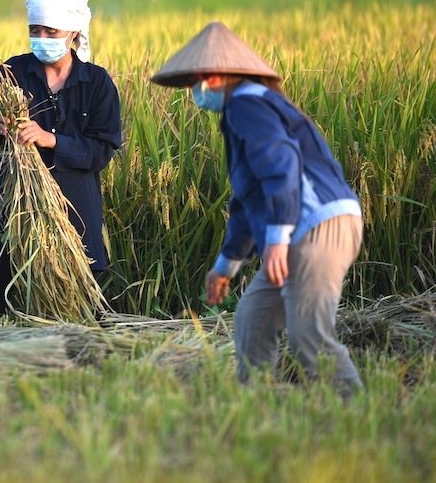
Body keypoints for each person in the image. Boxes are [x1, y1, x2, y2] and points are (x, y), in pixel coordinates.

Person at [151, 20, 365, 395]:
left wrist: (279, 237)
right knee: (254, 318)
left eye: (194, 82)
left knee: (309, 338)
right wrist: (226, 267)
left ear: (214, 77)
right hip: (296, 229)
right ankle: (256, 402)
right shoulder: (247, 109)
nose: (193, 92)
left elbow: (281, 164)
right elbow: (248, 198)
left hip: (315, 225)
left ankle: (355, 415)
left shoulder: (247, 103)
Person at [0, 0, 123, 326]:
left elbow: (102, 149)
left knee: (74, 303)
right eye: (36, 31)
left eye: (52, 32)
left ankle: (74, 350)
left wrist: (49, 139)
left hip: (72, 206)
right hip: (11, 199)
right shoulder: (12, 72)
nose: (43, 38)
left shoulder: (96, 83)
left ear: (73, 33)